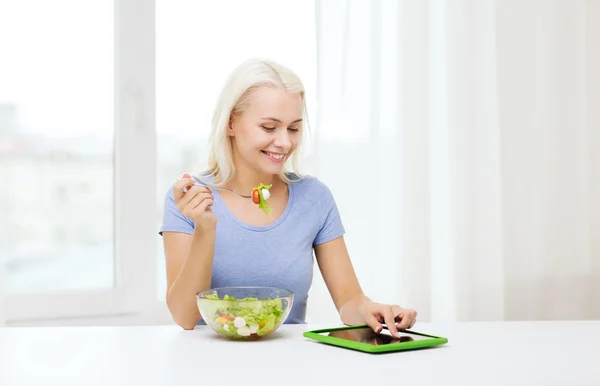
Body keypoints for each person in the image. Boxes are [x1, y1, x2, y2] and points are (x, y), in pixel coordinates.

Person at [159, 58, 417, 338]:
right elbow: (185, 317)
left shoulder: (314, 197)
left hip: (291, 362)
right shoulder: (190, 199)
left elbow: (350, 301)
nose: (284, 142)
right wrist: (205, 229)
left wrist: (374, 311)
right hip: (206, 367)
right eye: (269, 128)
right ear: (231, 123)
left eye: (293, 128)